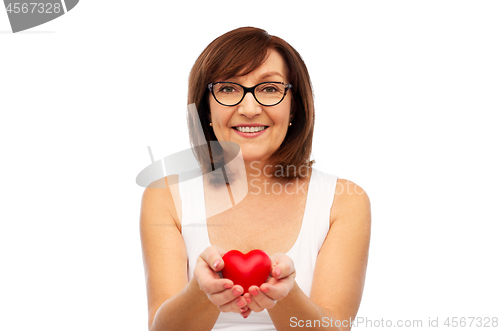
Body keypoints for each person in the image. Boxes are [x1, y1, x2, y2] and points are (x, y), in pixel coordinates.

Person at [140, 27, 371, 331]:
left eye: (270, 89)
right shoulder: (166, 195)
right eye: (227, 89)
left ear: (295, 107)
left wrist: (284, 295)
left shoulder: (343, 201)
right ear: (206, 109)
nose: (249, 109)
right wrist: (201, 291)